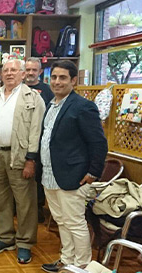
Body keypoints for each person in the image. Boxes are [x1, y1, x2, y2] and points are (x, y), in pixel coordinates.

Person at [39, 61, 107, 272]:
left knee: (75, 222)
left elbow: (98, 143)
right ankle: (66, 260)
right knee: (61, 220)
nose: (57, 82)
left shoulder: (83, 106)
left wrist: (93, 173)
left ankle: (82, 265)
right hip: (50, 174)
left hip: (73, 176)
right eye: (54, 77)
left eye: (63, 78)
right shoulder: (51, 104)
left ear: (73, 80)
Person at [0, 59, 45, 264]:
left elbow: (36, 131)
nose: (9, 73)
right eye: (5, 70)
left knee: (25, 203)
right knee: (0, 199)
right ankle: (6, 237)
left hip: (20, 156)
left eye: (14, 70)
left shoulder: (33, 98)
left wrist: (31, 160)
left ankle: (24, 243)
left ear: (23, 74)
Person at [24, 57, 55, 223]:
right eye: (27, 69)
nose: (30, 73)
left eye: (33, 70)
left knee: (37, 174)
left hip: (40, 139)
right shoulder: (17, 89)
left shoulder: (47, 90)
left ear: (40, 72)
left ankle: (37, 208)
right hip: (21, 139)